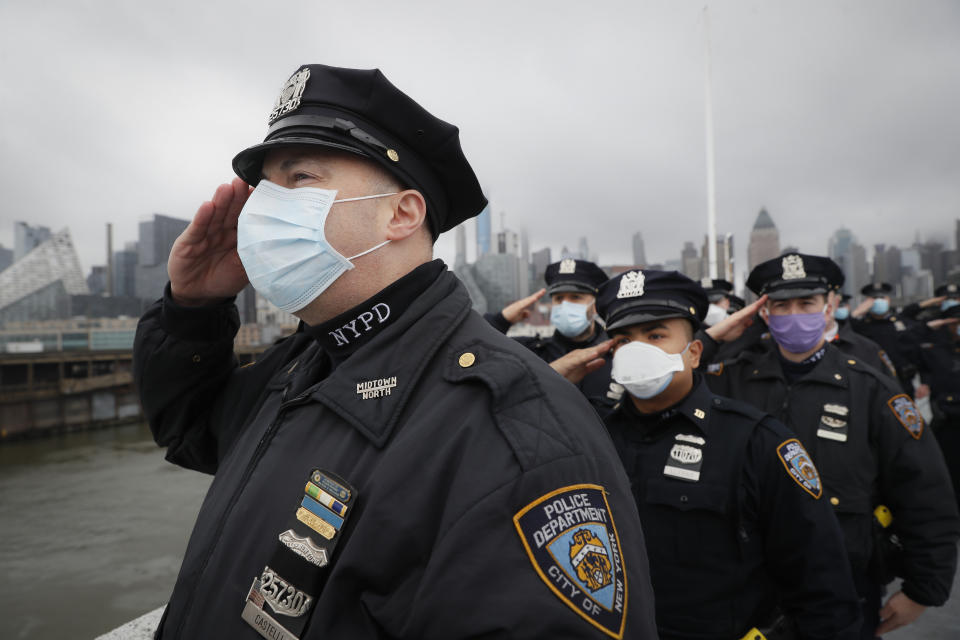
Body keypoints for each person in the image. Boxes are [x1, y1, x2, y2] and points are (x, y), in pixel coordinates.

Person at [133, 63, 658, 639]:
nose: (260, 210)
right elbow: (190, 432)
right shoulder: (306, 363)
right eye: (264, 188)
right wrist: (193, 307)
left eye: (300, 177)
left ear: (402, 213)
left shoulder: (517, 436)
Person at [704, 253, 960, 639]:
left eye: (806, 304)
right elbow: (663, 382)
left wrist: (923, 590)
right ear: (764, 313)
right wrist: (708, 339)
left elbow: (925, 491)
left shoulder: (872, 390)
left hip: (844, 587)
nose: (794, 315)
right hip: (744, 587)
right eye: (781, 306)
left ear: (831, 307)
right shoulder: (729, 379)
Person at [596, 269, 861, 640]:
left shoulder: (755, 441)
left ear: (694, 353)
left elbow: (818, 574)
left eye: (656, 335)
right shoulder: (593, 437)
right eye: (623, 340)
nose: (638, 351)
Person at [486, 259, 617, 407]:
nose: (565, 305)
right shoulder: (531, 352)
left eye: (576, 297)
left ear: (595, 306)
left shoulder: (617, 355)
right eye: (559, 298)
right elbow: (479, 348)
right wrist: (501, 320)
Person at [849, 282, 920, 394]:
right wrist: (857, 312)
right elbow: (842, 331)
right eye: (874, 298)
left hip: (903, 382)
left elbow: (916, 351)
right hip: (872, 382)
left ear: (888, 300)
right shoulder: (860, 325)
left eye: (882, 297)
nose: (879, 301)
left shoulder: (901, 323)